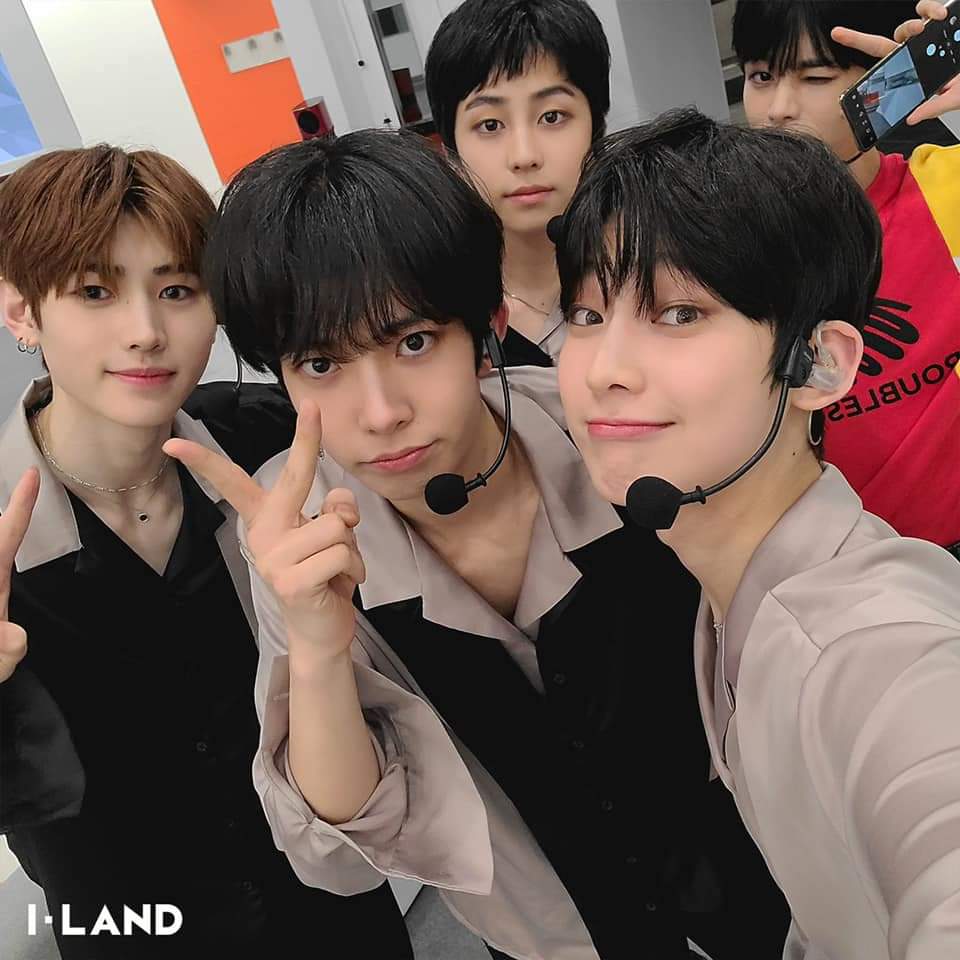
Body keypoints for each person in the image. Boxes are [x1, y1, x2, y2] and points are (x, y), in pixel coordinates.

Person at [165, 128, 790, 960]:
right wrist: (315, 649)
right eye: (319, 364)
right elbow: (336, 859)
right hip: (553, 939)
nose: (381, 413)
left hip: (772, 879)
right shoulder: (296, 529)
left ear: (486, 327)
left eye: (413, 342)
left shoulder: (601, 430)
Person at [553, 106, 960, 960]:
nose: (604, 370)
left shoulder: (877, 648)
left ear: (820, 364)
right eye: (586, 316)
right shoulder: (730, 590)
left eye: (678, 314)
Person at [0, 145, 412, 958]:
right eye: (94, 291)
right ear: (22, 312)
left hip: (335, 917)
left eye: (177, 290)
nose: (146, 332)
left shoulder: (268, 440)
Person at [733, 0, 960, 553]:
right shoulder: (722, 244)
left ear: (884, 82)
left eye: (815, 78)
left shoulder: (946, 187)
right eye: (760, 77)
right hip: (833, 569)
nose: (779, 109)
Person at [425, 0, 610, 367]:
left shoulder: (663, 275)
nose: (524, 156)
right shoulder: (438, 316)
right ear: (451, 150)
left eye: (552, 116)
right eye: (490, 125)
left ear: (596, 127)